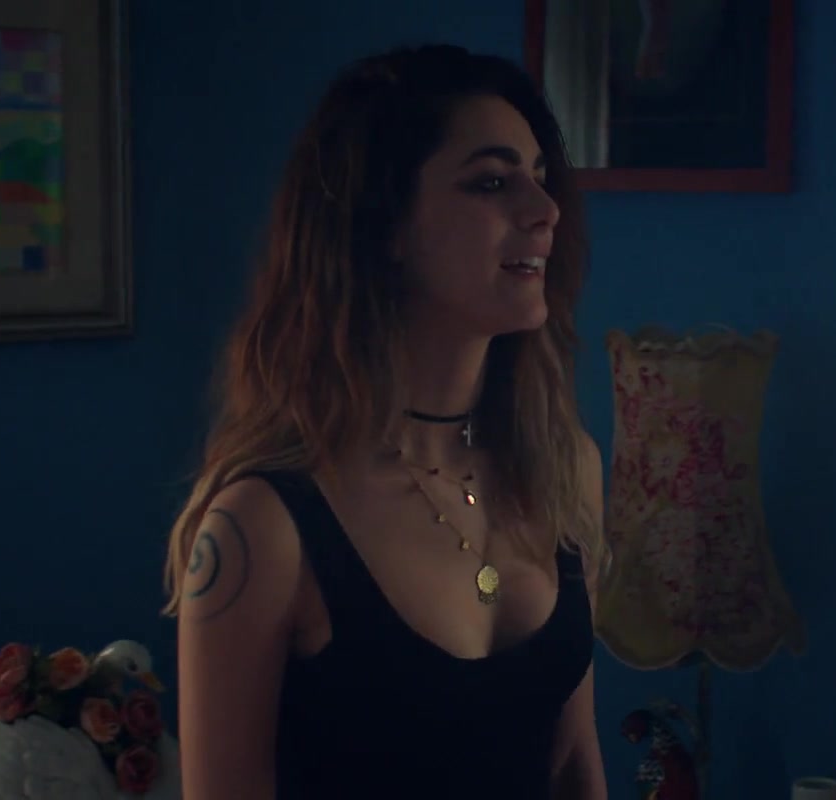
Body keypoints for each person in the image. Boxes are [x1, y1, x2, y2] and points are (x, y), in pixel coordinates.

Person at [160, 44, 607, 799]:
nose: (544, 209)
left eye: (539, 176)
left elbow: (571, 762)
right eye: (493, 182)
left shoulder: (564, 470)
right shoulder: (263, 527)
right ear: (385, 225)